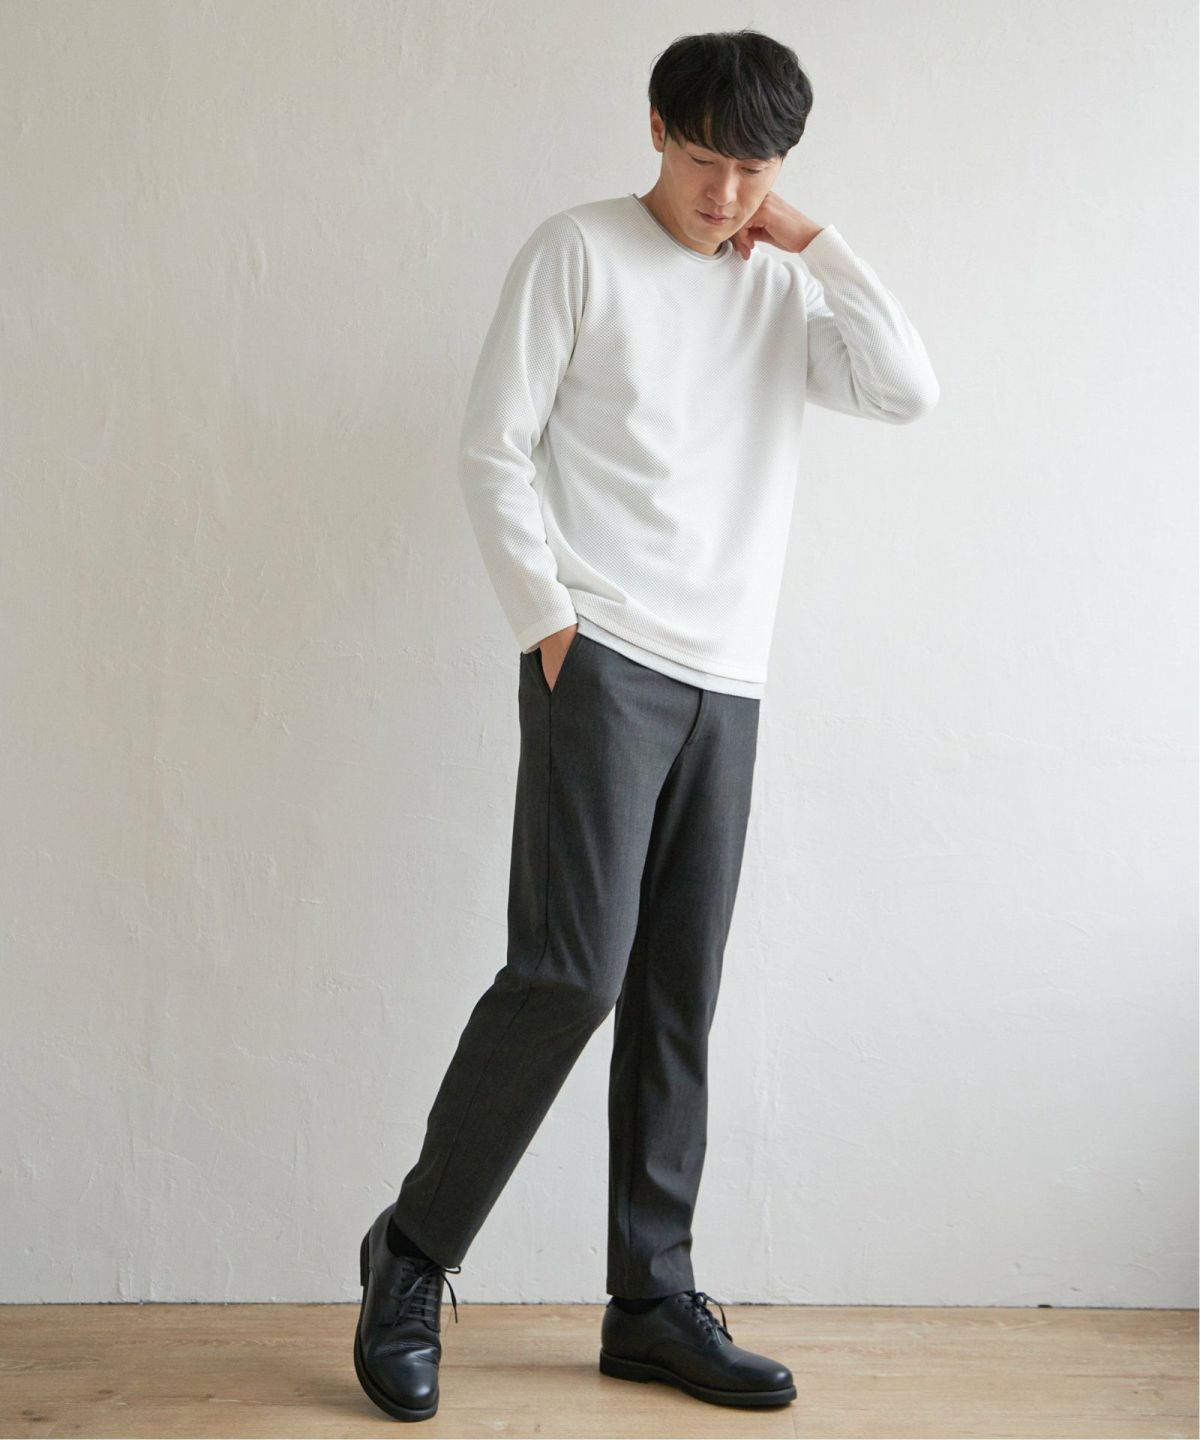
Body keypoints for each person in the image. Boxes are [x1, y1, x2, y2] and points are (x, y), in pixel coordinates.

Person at [354, 26, 939, 1423]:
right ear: (658, 130)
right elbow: (494, 447)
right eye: (707, 159)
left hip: (730, 678)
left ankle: (652, 1300)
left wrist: (817, 241)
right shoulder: (578, 251)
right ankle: (411, 1253)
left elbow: (907, 387)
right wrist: (549, 626)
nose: (727, 194)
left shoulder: (779, 290)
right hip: (603, 655)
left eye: (759, 171)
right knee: (572, 972)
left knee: (680, 987)